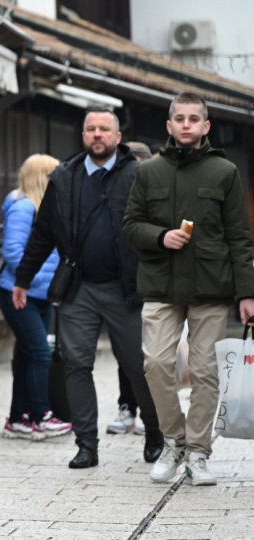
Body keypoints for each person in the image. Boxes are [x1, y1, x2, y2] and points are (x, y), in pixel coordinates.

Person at [12, 107, 164, 469]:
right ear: (83, 136)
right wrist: (22, 278)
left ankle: (155, 430)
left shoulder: (138, 175)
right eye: (91, 129)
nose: (98, 134)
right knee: (76, 364)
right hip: (78, 288)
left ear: (117, 136)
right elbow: (43, 233)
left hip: (126, 289)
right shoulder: (64, 176)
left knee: (137, 365)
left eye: (104, 129)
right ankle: (87, 445)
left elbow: (158, 227)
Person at [122, 92, 254, 486]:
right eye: (179, 118)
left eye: (193, 119)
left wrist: (247, 293)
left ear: (205, 126)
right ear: (169, 125)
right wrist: (161, 237)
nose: (186, 125)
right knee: (156, 364)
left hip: (211, 286)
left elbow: (240, 237)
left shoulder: (224, 172)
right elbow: (130, 225)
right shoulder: (149, 172)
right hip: (161, 284)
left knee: (204, 371)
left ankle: (198, 451)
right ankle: (174, 440)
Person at [0, 155, 72, 442]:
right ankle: (42, 416)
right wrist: (38, 280)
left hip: (39, 294)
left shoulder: (38, 207)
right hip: (20, 293)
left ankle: (18, 419)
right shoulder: (24, 207)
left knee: (29, 355)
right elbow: (14, 252)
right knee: (40, 354)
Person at [104, 140, 151, 437]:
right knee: (126, 353)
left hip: (152, 282)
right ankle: (127, 407)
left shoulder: (151, 188)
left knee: (150, 354)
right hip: (123, 283)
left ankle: (151, 411)